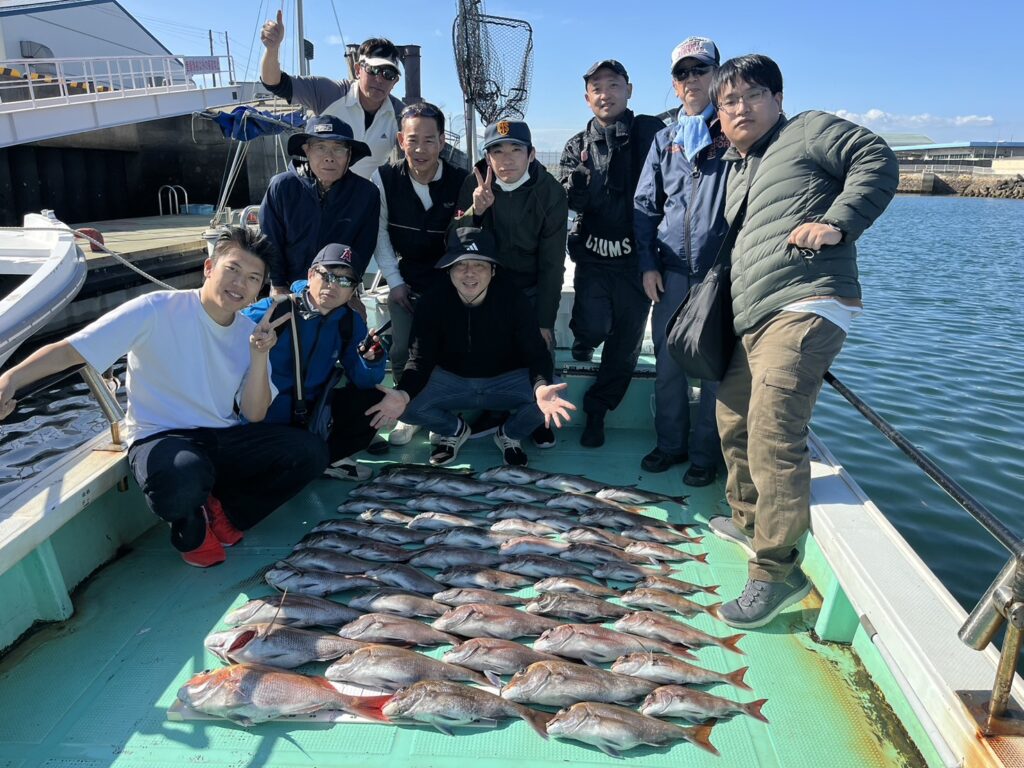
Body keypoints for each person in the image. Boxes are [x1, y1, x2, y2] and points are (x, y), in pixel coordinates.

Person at [0, 228, 329, 568]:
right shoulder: (156, 309)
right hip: (160, 435)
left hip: (222, 436)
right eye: (232, 269)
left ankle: (227, 512)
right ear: (209, 268)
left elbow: (254, 413)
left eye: (252, 278)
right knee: (180, 480)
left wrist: (260, 356)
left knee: (310, 453)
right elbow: (73, 349)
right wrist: (11, 379)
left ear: (258, 288)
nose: (239, 283)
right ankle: (191, 531)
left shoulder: (248, 332)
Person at [706, 54, 898, 628]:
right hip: (755, 318)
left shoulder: (808, 129)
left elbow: (875, 158)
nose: (741, 108)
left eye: (752, 95)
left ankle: (776, 571)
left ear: (778, 99)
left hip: (805, 304)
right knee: (731, 419)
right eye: (729, 102)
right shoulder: (741, 166)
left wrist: (838, 222)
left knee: (773, 429)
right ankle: (750, 523)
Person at [366, 227, 575, 467]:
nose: (469, 273)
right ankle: (453, 429)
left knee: (556, 394)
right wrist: (403, 393)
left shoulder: (513, 299)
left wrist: (541, 387)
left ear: (493, 270)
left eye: (479, 265)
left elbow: (536, 353)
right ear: (449, 269)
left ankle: (509, 434)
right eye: (460, 265)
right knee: (402, 406)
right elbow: (420, 360)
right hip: (452, 381)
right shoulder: (432, 301)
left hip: (504, 381)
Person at [634, 36, 731, 486]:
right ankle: (670, 444)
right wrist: (647, 264)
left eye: (700, 69)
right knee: (668, 366)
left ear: (718, 76)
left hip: (720, 276)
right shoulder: (664, 139)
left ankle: (705, 455)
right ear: (674, 85)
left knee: (714, 372)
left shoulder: (737, 133)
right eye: (682, 73)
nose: (691, 79)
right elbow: (645, 206)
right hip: (670, 273)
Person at [558, 58, 663, 448]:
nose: (606, 94)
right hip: (593, 256)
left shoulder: (651, 132)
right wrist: (575, 188)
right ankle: (584, 339)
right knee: (593, 325)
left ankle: (598, 409)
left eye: (614, 85)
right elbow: (568, 201)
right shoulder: (576, 145)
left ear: (628, 90)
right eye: (597, 88)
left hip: (638, 259)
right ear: (587, 98)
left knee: (625, 345)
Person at [451, 120, 569, 448]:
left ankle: (538, 418)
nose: (507, 159)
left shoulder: (550, 191)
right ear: (487, 158)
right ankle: (494, 412)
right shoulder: (474, 183)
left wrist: (545, 320)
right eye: (497, 151)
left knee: (541, 348)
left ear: (531, 154)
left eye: (516, 149)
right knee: (490, 349)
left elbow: (552, 263)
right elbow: (454, 243)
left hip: (531, 283)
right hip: (488, 286)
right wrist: (475, 210)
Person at [243, 243, 387, 482]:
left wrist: (373, 360)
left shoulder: (349, 322)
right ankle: (305, 458)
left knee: (377, 399)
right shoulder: (273, 310)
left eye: (345, 281)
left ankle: (327, 459)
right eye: (327, 275)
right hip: (263, 415)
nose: (333, 285)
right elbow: (219, 338)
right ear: (310, 275)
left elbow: (364, 381)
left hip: (312, 415)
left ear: (353, 290)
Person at [370, 102, 469, 447]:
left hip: (450, 282)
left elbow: (468, 238)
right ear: (401, 140)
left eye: (429, 140)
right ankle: (410, 413)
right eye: (413, 140)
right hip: (407, 280)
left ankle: (443, 415)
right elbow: (380, 234)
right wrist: (395, 283)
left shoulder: (462, 181)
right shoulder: (383, 179)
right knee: (402, 350)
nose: (420, 149)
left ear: (442, 142)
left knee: (450, 350)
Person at [260, 13, 404, 179]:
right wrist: (272, 49)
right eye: (373, 70)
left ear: (395, 81)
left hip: (368, 194)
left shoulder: (401, 115)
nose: (379, 79)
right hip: (318, 191)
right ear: (358, 70)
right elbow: (275, 83)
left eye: (388, 74)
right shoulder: (329, 93)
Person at [259, 115, 380, 296]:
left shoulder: (366, 194)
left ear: (349, 155)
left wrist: (349, 289)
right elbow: (270, 239)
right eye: (320, 147)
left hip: (338, 289)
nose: (329, 157)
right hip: (288, 288)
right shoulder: (282, 186)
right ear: (306, 150)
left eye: (338, 149)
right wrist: (277, 284)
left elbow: (363, 248)